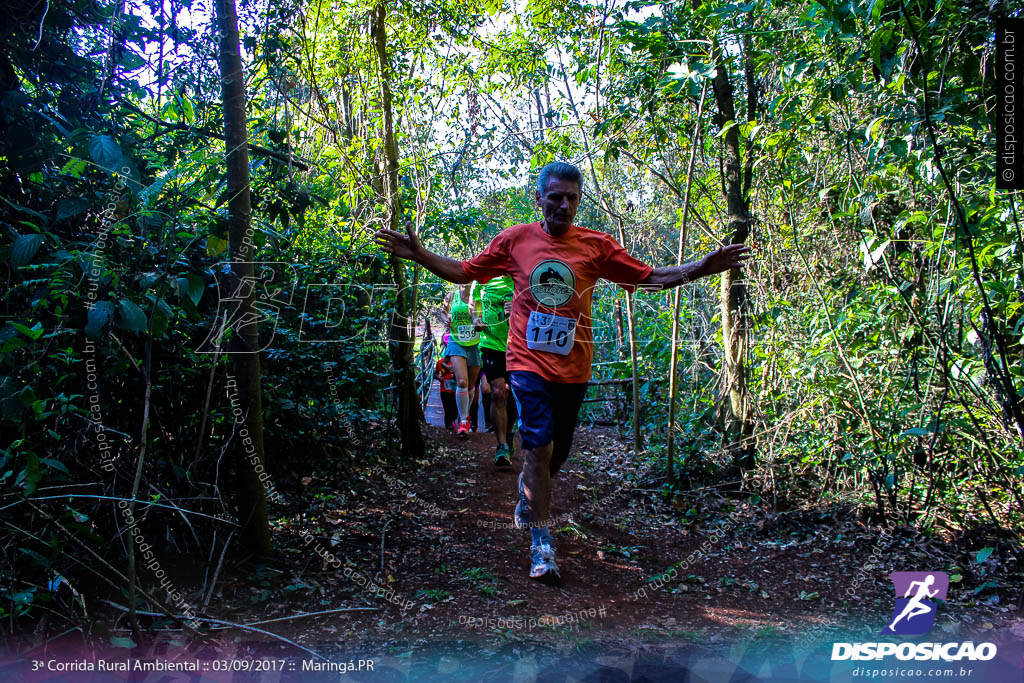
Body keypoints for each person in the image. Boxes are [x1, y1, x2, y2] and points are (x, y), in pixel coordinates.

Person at [376, 161, 751, 584]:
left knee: (557, 453)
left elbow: (648, 278)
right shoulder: (515, 240)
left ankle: (529, 490)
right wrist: (419, 253)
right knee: (537, 444)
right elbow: (465, 271)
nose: (564, 205)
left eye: (572, 198)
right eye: (555, 196)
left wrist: (702, 266)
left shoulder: (596, 246)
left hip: (574, 367)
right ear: (539, 199)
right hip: (525, 361)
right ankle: (541, 542)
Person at [475, 275, 517, 468]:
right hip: (491, 344)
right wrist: (476, 319)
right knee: (498, 392)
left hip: (518, 344)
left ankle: (509, 433)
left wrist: (516, 313)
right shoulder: (482, 280)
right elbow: (474, 306)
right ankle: (501, 445)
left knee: (515, 397)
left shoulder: (523, 277)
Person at [439, 284, 482, 438]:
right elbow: (443, 312)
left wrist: (480, 322)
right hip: (456, 341)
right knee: (462, 382)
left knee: (471, 385)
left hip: (475, 344)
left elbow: (484, 316)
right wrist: (446, 320)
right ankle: (463, 421)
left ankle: (465, 415)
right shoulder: (451, 295)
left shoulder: (479, 296)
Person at [434, 350, 458, 429]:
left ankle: (453, 420)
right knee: (447, 408)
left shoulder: (457, 362)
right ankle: (448, 426)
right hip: (444, 389)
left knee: (455, 409)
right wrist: (439, 378)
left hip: (455, 390)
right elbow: (435, 373)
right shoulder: (440, 362)